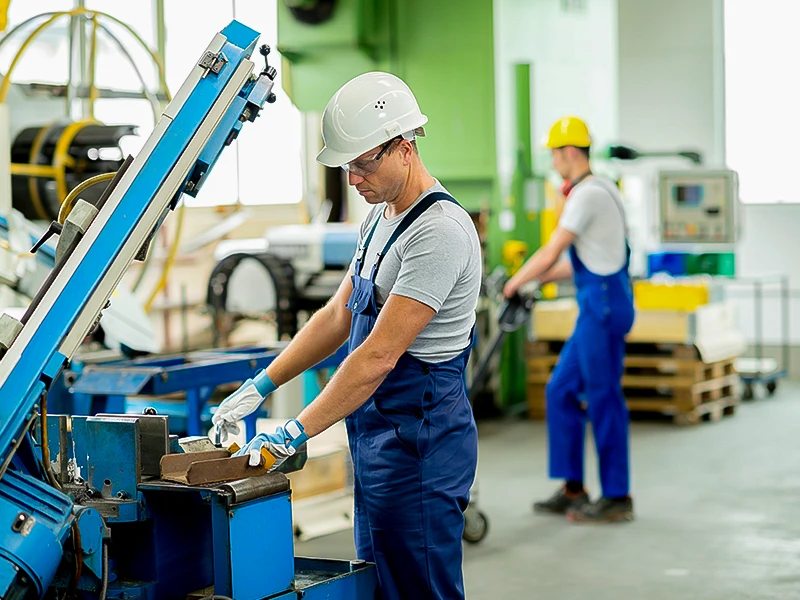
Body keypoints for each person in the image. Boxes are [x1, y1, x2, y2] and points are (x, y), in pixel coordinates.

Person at [211, 72, 482, 599]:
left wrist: (295, 432)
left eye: (363, 164)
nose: (353, 178)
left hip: (420, 447)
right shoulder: (380, 218)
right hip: (376, 440)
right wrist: (262, 384)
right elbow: (338, 315)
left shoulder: (439, 232)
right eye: (347, 166)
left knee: (421, 588)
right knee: (379, 584)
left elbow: (377, 356)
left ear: (404, 148)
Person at [502, 116, 635, 524]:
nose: (553, 162)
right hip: (598, 304)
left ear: (571, 152)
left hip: (604, 307)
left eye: (555, 154)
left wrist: (514, 283)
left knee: (603, 397)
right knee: (560, 390)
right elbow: (578, 263)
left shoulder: (588, 194)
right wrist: (534, 280)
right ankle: (574, 488)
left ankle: (617, 497)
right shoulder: (599, 190)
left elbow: (552, 250)